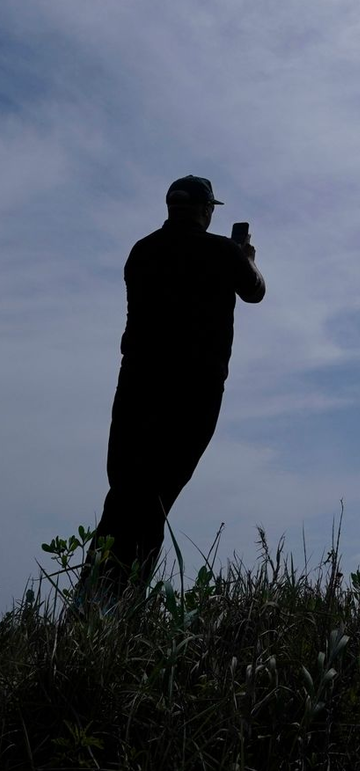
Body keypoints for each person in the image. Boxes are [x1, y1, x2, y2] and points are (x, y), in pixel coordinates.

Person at [86, 176, 266, 596]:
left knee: (126, 491)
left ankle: (93, 600)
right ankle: (121, 604)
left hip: (136, 384)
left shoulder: (142, 251)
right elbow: (255, 291)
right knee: (156, 496)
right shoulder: (222, 251)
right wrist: (246, 257)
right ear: (205, 210)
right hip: (194, 390)